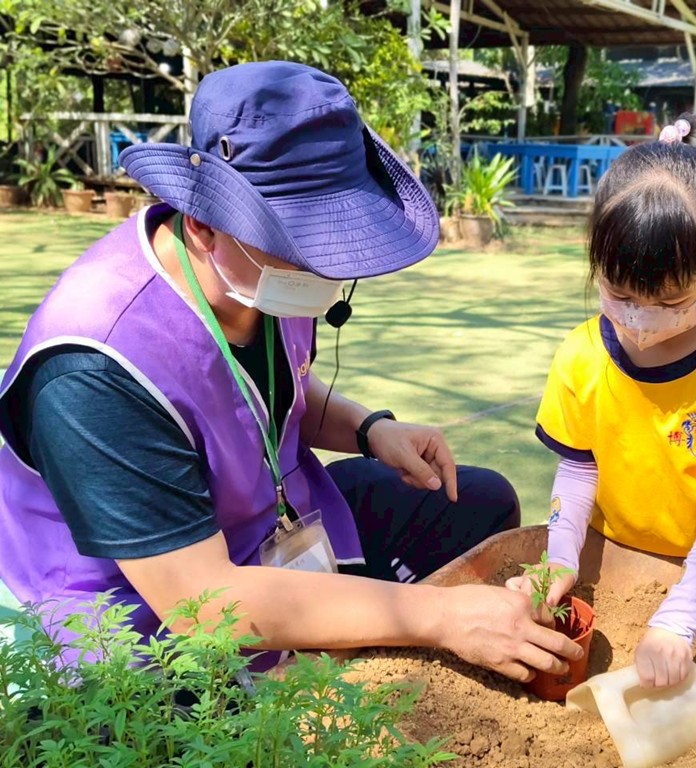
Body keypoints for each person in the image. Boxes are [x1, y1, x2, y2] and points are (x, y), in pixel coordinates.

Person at [0, 61, 582, 682]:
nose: (325, 274)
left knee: (478, 504)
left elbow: (272, 389)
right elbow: (205, 604)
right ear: (203, 223)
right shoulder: (93, 367)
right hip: (144, 614)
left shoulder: (257, 280)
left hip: (262, 531)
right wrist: (439, 616)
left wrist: (369, 429)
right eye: (302, 249)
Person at [508, 116, 696, 689]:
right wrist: (560, 559)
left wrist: (682, 615)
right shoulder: (582, 354)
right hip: (617, 560)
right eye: (619, 294)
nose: (640, 318)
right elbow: (578, 469)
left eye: (669, 300)